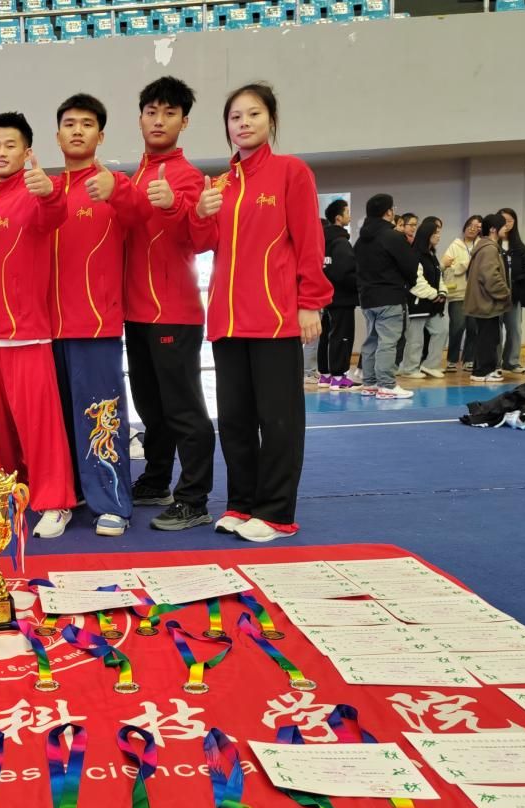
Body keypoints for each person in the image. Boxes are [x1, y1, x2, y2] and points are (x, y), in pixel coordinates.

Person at [190, 82, 331, 543]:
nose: (244, 123)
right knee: (234, 421)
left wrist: (310, 302)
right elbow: (202, 244)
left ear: (271, 120)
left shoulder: (291, 172)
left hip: (274, 319)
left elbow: (309, 240)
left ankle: (275, 513)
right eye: (235, 117)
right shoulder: (220, 184)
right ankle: (242, 504)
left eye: (253, 114)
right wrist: (201, 212)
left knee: (279, 421)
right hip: (228, 321)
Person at [47, 92, 147, 537]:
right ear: (57, 135)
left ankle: (111, 502)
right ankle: (66, 496)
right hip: (46, 327)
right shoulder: (47, 190)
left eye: (87, 124)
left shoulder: (114, 184)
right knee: (58, 421)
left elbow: (142, 219)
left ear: (100, 136)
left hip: (95, 324)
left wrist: (119, 191)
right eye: (69, 124)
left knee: (101, 417)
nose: (77, 131)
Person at [0, 111, 77, 538]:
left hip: (30, 335)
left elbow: (54, 212)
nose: (1, 152)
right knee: (0, 433)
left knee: (41, 429)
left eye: (10, 145)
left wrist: (49, 193)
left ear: (27, 151)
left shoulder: (36, 193)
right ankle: (12, 494)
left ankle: (55, 502)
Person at [126, 76, 216, 530]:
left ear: (184, 122)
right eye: (151, 112)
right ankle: (156, 479)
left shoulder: (188, 177)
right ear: (140, 118)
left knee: (183, 410)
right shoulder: (135, 175)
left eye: (169, 113)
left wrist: (174, 206)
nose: (159, 120)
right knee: (150, 408)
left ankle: (194, 498)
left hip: (174, 314)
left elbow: (203, 240)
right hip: (135, 313)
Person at [355, 193, 418, 399]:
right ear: (388, 212)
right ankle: (387, 385)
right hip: (390, 296)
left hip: (367, 298)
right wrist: (408, 283)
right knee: (388, 341)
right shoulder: (392, 237)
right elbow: (410, 266)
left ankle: (370, 383)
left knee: (372, 340)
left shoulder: (360, 241)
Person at [464, 214, 513, 383]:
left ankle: (481, 370)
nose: (506, 228)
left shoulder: (483, 246)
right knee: (488, 338)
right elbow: (490, 277)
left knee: (486, 336)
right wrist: (505, 293)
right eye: (503, 225)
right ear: (493, 229)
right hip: (486, 302)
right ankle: (483, 371)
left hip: (482, 301)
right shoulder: (489, 249)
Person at [399, 217, 448, 378]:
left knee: (441, 331)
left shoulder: (432, 255)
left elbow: (438, 276)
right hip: (417, 304)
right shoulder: (415, 254)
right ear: (427, 235)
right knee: (415, 338)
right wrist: (433, 294)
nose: (439, 236)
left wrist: (442, 292)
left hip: (433, 304)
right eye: (436, 233)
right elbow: (416, 281)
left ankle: (430, 365)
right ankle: (409, 368)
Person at [321, 198, 359, 389]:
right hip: (342, 298)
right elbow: (344, 272)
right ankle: (338, 377)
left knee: (327, 335)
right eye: (347, 212)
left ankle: (325, 375)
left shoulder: (323, 241)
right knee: (342, 336)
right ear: (338, 218)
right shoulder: (341, 242)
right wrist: (360, 283)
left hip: (327, 297)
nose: (349, 215)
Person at [444, 215, 483, 372]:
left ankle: (469, 359)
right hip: (457, 293)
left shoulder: (481, 245)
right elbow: (447, 267)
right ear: (465, 226)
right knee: (457, 327)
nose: (473, 229)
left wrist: (461, 265)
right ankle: (452, 360)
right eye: (470, 225)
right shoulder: (455, 245)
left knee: (473, 328)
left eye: (477, 226)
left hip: (476, 294)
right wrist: (467, 264)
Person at [498, 207, 525, 374]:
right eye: (503, 221)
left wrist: (519, 283)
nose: (507, 224)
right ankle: (494, 362)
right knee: (495, 330)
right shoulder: (492, 245)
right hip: (495, 296)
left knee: (515, 329)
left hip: (514, 295)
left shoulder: (520, 247)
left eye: (510, 220)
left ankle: (511, 362)